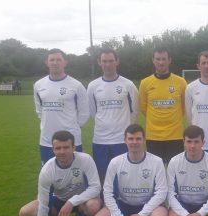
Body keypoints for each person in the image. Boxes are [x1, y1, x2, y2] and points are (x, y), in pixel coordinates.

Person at [18, 131, 102, 216]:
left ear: (74, 147)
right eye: (58, 148)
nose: (62, 151)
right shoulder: (47, 170)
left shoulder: (85, 159)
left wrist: (71, 202)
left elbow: (96, 187)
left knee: (94, 205)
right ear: (53, 149)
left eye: (66, 147)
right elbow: (43, 204)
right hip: (59, 200)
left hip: (81, 201)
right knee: (25, 212)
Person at [92, 124, 168, 216]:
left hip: (149, 204)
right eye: (131, 139)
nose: (134, 142)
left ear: (144, 140)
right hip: (124, 204)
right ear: (125, 140)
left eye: (138, 139)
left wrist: (141, 215)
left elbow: (161, 192)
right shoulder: (115, 162)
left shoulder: (156, 161)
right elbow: (107, 192)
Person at [87, 48, 139, 184]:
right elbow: (93, 111)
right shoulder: (93, 86)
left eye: (111, 61)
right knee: (103, 176)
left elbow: (135, 111)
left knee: (124, 175)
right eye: (104, 61)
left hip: (121, 140)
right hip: (100, 140)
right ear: (99, 62)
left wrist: (125, 129)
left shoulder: (128, 84)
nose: (108, 64)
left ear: (117, 62)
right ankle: (104, 203)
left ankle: (124, 203)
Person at [34, 49, 89, 166]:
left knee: (75, 176)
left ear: (65, 62)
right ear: (47, 62)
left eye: (58, 59)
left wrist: (72, 127)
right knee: (50, 175)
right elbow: (39, 110)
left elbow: (84, 113)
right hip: (47, 140)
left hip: (71, 140)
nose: (55, 62)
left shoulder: (76, 85)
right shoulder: (38, 85)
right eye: (52, 60)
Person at [139, 47, 187, 164]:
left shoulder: (180, 82)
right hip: (153, 136)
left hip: (175, 135)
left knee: (176, 170)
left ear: (169, 60)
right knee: (155, 171)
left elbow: (184, 107)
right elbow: (143, 108)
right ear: (153, 60)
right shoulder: (145, 83)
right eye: (158, 59)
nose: (161, 62)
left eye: (164, 59)